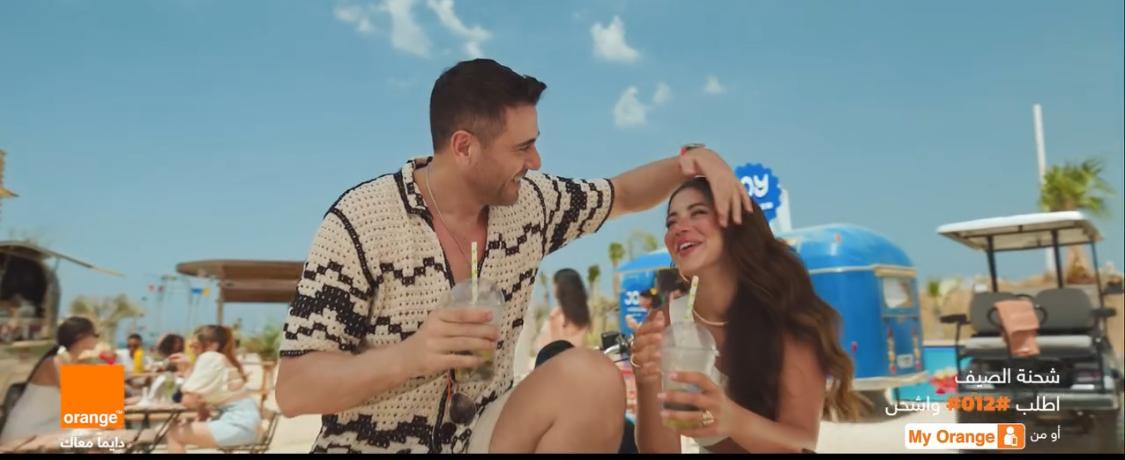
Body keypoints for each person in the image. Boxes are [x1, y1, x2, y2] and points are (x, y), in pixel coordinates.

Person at [274, 58, 753, 454]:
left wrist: (695, 159)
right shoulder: (361, 221)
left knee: (592, 378)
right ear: (464, 147)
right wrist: (411, 355)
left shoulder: (532, 205)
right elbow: (294, 390)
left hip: (483, 435)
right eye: (523, 147)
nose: (536, 162)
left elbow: (622, 194)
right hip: (368, 445)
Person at [628, 177, 863, 454]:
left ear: (735, 224)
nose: (679, 229)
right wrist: (645, 379)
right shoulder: (664, 323)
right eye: (671, 222)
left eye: (698, 213)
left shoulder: (786, 315)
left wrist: (731, 419)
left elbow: (803, 444)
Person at [0, 317, 100, 444]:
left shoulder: (68, 362)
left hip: (45, 427)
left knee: (97, 425)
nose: (97, 338)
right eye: (95, 335)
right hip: (25, 433)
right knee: (94, 428)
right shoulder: (54, 363)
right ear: (80, 337)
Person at [165, 325, 261, 453]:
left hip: (238, 424)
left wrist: (187, 372)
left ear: (213, 346)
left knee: (175, 433)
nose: (192, 351)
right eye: (190, 347)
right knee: (177, 430)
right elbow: (198, 401)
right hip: (246, 423)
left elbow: (189, 400)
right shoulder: (219, 359)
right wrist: (188, 369)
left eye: (195, 346)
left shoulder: (210, 357)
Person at [534, 269, 592, 353]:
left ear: (561, 287)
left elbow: (548, 346)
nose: (553, 288)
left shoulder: (557, 316)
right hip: (582, 356)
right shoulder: (585, 314)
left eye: (554, 284)